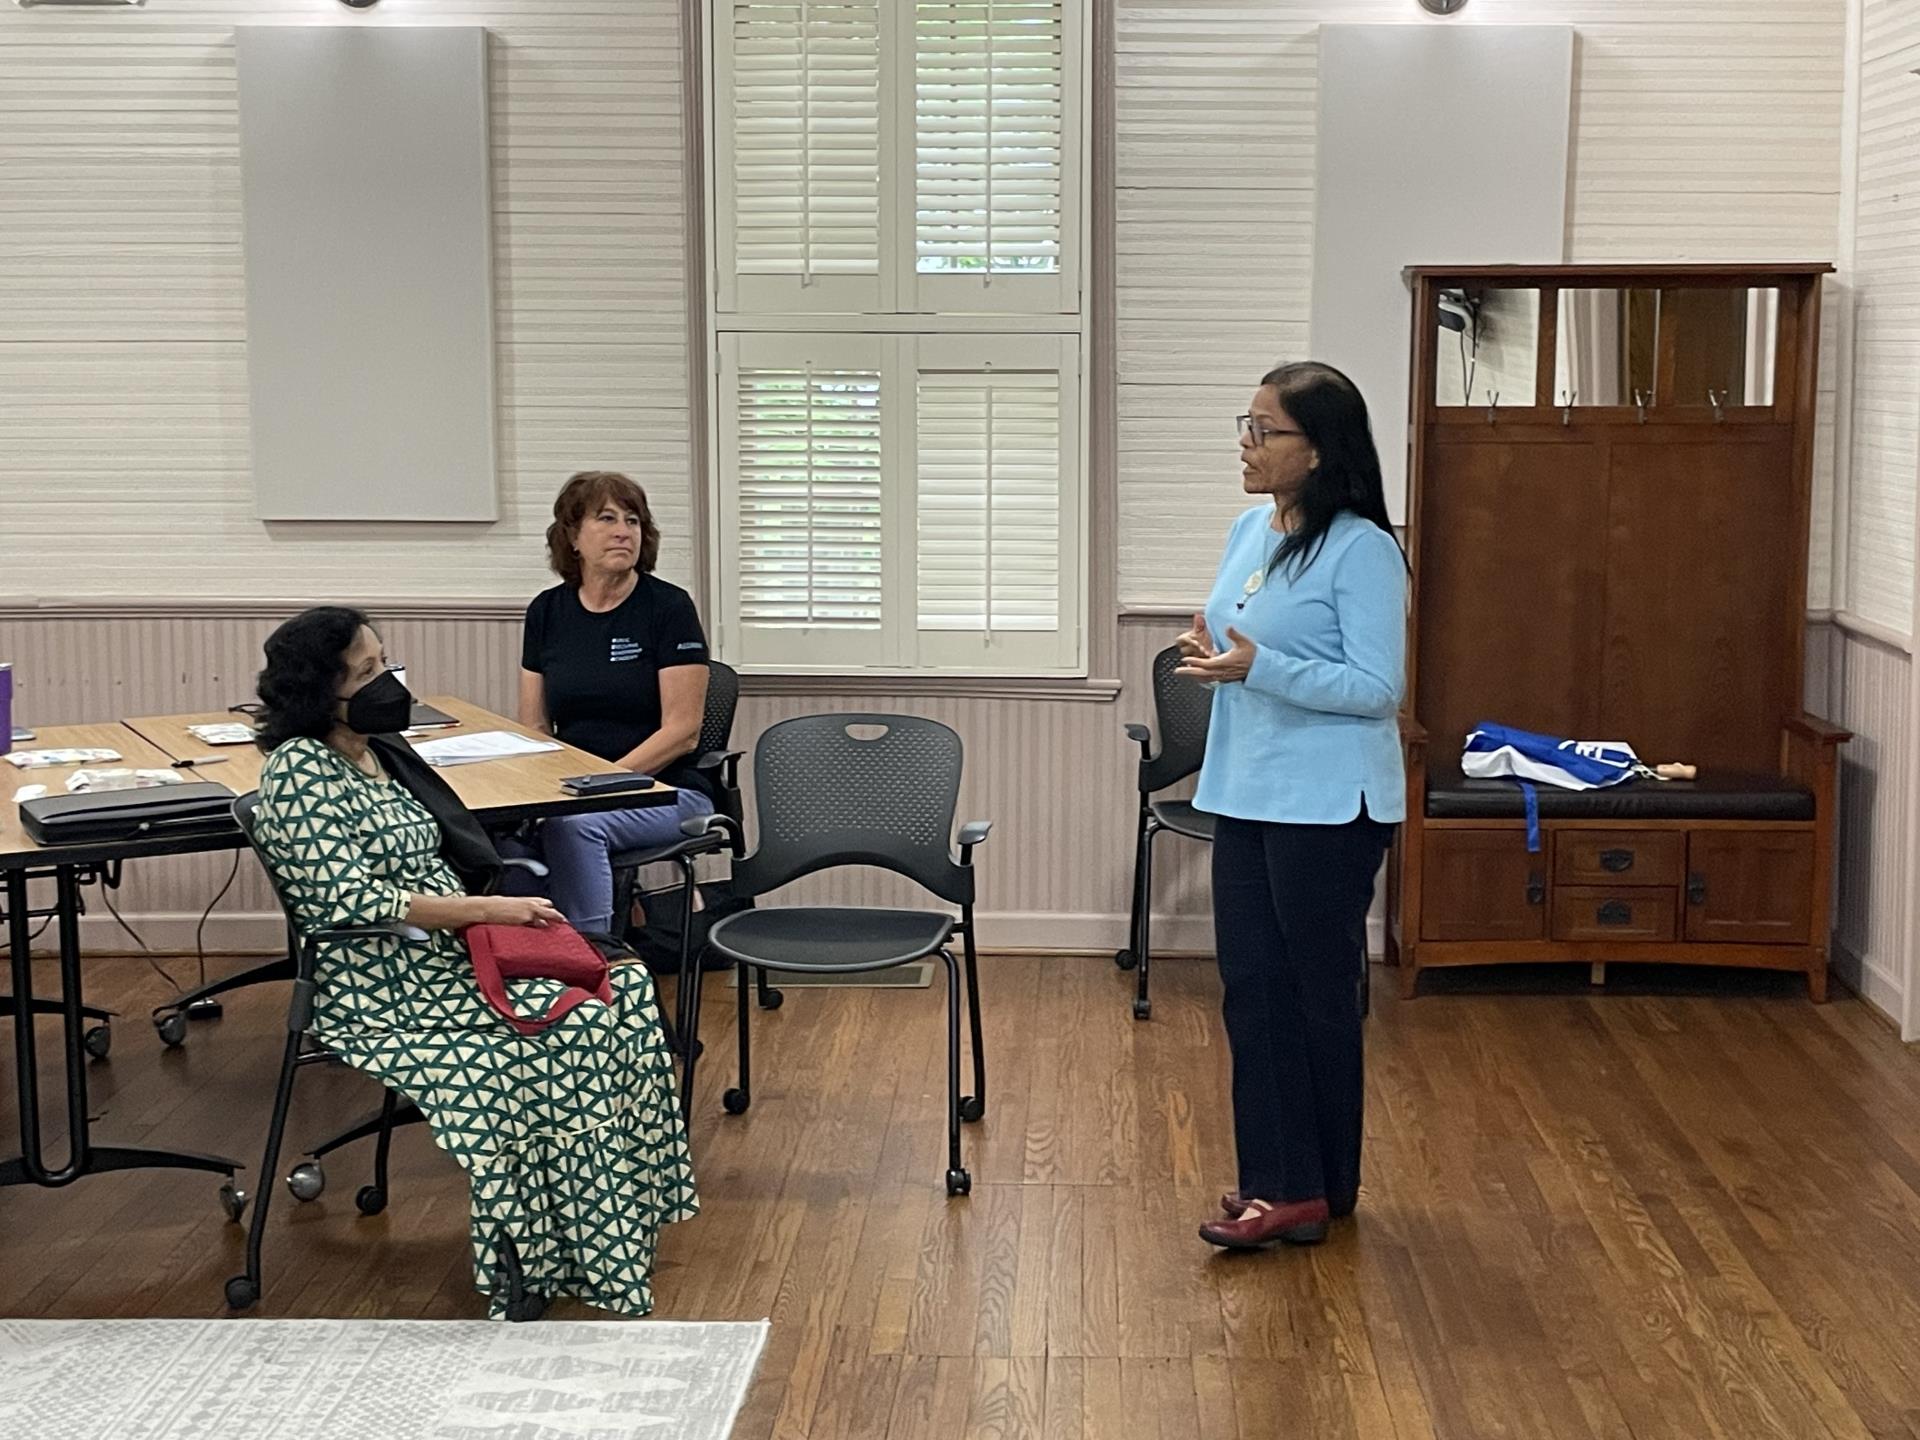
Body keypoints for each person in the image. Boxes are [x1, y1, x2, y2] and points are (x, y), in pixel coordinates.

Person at [249, 606, 697, 1317]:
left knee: (625, 990)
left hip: (450, 959)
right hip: (382, 987)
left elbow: (444, 855)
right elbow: (349, 902)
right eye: (367, 673)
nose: (387, 681)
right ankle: (527, 1257)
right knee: (549, 1043)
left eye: (384, 661)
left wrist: (488, 917)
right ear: (318, 692)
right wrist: (490, 911)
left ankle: (602, 1231)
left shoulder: (378, 750)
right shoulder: (302, 775)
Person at [1174, 361, 1407, 1250]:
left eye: (1264, 429)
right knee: (1251, 991)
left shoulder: (1363, 549)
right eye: (1247, 422)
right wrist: (1213, 648)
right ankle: (1284, 1183)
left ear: (1318, 450)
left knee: (1313, 995)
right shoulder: (1250, 527)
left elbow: (1378, 687)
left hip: (1329, 805)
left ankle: (1312, 1185)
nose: (1247, 440)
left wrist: (1260, 668)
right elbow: (1245, 626)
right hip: (1246, 787)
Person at [518, 472, 717, 935]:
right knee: (496, 830)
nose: (624, 530)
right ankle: (528, 964)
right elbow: (534, 728)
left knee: (574, 828)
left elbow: (682, 731)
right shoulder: (547, 611)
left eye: (633, 520)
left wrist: (599, 786)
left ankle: (596, 963)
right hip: (575, 792)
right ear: (571, 536)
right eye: (606, 518)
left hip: (668, 791)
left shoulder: (668, 608)